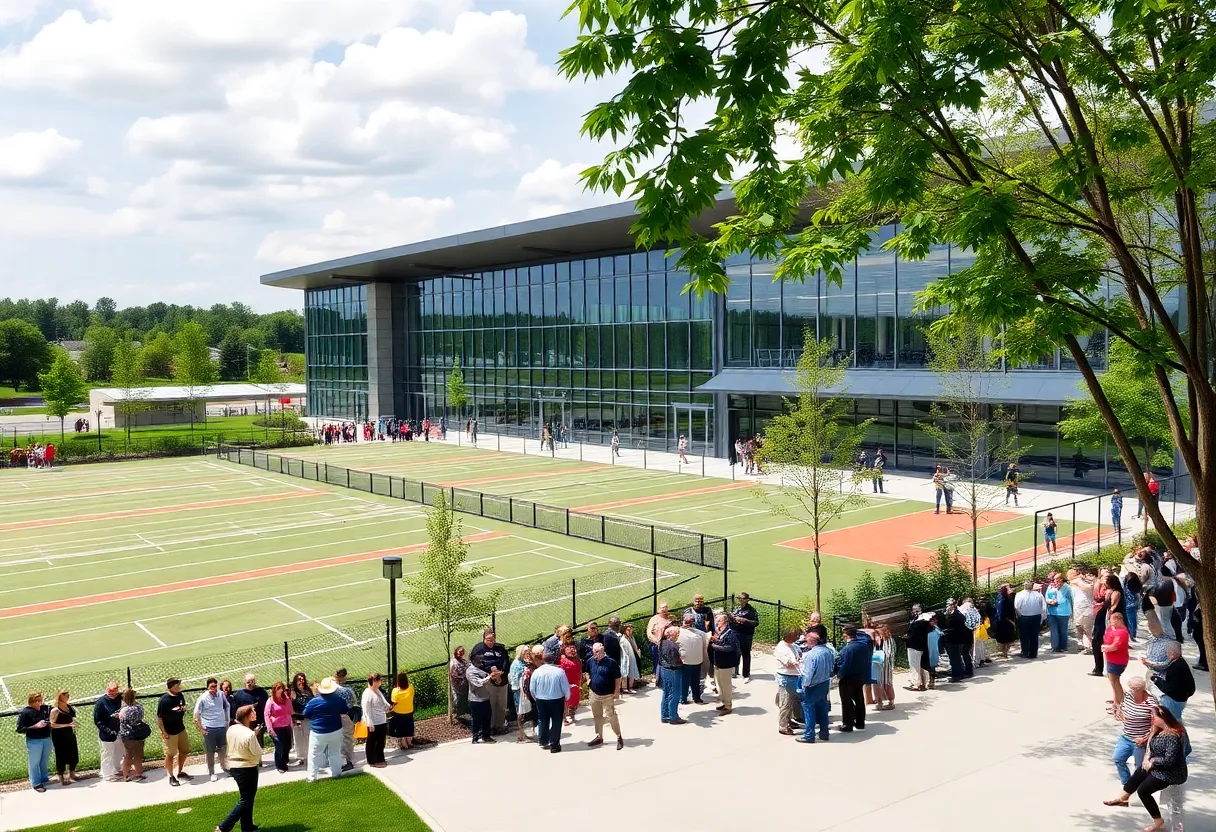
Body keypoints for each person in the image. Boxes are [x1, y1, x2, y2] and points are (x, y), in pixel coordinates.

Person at [1103, 706, 1189, 831]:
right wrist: (1147, 755)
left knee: (1143, 791)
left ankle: (1158, 821)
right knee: (1140, 770)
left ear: (1162, 718)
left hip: (1172, 772)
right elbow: (1149, 747)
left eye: (1153, 717)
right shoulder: (1157, 731)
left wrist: (1152, 762)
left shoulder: (1172, 736)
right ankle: (1123, 798)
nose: (1151, 720)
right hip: (1160, 767)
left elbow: (1169, 760)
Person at [218, 704, 263, 832]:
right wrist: (256, 736)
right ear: (247, 716)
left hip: (234, 766)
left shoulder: (231, 729)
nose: (255, 712)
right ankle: (224, 827)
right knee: (246, 799)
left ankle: (247, 826)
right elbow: (257, 752)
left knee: (247, 797)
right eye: (252, 711)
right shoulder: (250, 734)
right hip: (247, 767)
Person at [1112, 676, 1157, 784]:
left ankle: (1140, 785)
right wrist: (1118, 711)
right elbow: (1120, 707)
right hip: (1126, 736)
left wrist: (1145, 738)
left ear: (1141, 689)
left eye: (1133, 689)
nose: (1130, 691)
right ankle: (1127, 783)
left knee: (1140, 767)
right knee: (1118, 759)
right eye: (1130, 688)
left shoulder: (1151, 702)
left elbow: (1155, 724)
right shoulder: (1127, 696)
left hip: (1141, 741)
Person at [302, 677, 348, 781]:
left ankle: (312, 777)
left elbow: (306, 714)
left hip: (318, 733)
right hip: (336, 730)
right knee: (335, 753)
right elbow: (345, 710)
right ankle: (336, 774)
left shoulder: (314, 702)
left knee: (315, 755)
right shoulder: (339, 700)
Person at [468, 628, 511, 734]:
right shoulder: (478, 649)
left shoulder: (500, 648)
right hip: (488, 680)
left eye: (492, 639)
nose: (491, 642)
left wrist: (502, 672)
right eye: (488, 639)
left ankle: (499, 726)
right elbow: (477, 664)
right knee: (491, 704)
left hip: (502, 680)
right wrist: (490, 672)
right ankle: (490, 727)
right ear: (484, 638)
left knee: (501, 704)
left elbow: (506, 659)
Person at [796, 631, 835, 743]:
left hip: (813, 685)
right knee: (822, 708)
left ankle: (809, 735)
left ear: (812, 641)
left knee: (808, 708)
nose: (805, 642)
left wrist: (804, 685)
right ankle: (824, 733)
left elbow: (808, 673)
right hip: (824, 682)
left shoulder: (811, 655)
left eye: (807, 640)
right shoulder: (828, 651)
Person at [529, 650, 571, 751]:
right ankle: (554, 745)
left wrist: (536, 698)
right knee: (556, 722)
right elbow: (565, 687)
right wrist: (567, 697)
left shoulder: (537, 672)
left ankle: (543, 741)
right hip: (557, 700)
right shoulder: (559, 671)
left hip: (541, 700)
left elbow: (532, 689)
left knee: (543, 720)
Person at [586, 641, 624, 749]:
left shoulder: (611, 662)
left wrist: (617, 691)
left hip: (608, 695)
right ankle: (599, 736)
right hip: (594, 693)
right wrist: (588, 679)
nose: (595, 654)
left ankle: (619, 736)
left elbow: (618, 678)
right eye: (594, 652)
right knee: (597, 716)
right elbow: (586, 671)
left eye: (597, 652)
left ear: (602, 650)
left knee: (611, 716)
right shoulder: (590, 661)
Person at [835, 625, 873, 732]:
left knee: (846, 701)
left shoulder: (847, 649)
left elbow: (845, 664)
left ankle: (847, 724)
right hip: (860, 676)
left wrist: (839, 675)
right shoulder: (864, 646)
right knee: (859, 699)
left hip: (848, 677)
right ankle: (860, 722)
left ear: (845, 635)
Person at [1145, 641, 1194, 720]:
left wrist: (1156, 680)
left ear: (1172, 654)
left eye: (1167, 652)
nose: (1166, 654)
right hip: (1182, 697)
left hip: (1174, 699)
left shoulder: (1176, 667)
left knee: (1171, 722)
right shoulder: (1180, 661)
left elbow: (1169, 688)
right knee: (1176, 720)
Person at [157, 678, 192, 786]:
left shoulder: (180, 695)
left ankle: (180, 772)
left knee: (185, 750)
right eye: (177, 685)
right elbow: (159, 718)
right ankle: (171, 776)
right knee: (170, 754)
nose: (179, 687)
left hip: (180, 729)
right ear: (171, 686)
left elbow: (181, 707)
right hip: (170, 732)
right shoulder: (164, 700)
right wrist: (164, 732)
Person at [194, 678, 231, 781]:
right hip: (209, 728)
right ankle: (211, 773)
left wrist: (227, 720)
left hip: (221, 727)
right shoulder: (202, 698)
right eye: (211, 687)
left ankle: (225, 767)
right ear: (207, 687)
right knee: (210, 752)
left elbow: (227, 706)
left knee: (223, 749)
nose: (214, 689)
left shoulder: (221, 694)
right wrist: (202, 729)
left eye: (215, 686)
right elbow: (196, 715)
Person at [16, 691, 52, 792]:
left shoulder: (44, 709)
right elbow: (20, 728)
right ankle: (36, 782)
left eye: (40, 700)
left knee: (44, 760)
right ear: (31, 701)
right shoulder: (25, 712)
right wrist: (35, 726)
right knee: (34, 762)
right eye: (36, 700)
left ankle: (44, 777)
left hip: (47, 738)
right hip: (34, 740)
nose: (39, 702)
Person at [709, 612, 739, 714]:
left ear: (725, 621)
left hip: (726, 663)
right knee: (719, 684)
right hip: (718, 662)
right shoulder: (720, 631)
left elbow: (730, 647)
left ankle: (728, 706)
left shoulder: (731, 633)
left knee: (726, 685)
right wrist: (715, 640)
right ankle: (724, 702)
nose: (717, 623)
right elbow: (722, 643)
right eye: (716, 621)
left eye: (719, 621)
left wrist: (714, 646)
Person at [93, 680, 123, 782]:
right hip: (107, 733)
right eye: (110, 690)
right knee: (107, 753)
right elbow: (98, 721)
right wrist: (108, 730)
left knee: (118, 752)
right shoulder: (101, 703)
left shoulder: (120, 699)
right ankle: (107, 774)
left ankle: (116, 769)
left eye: (114, 690)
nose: (112, 692)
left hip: (119, 730)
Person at [48, 690, 80, 786]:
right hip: (59, 736)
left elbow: (72, 717)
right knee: (61, 756)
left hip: (70, 734)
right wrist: (67, 725)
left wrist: (73, 723)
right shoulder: (55, 710)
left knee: (73, 753)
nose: (68, 697)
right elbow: (52, 725)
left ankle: (72, 773)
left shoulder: (69, 707)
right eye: (66, 696)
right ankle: (61, 777)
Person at [774, 628, 803, 733]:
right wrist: (798, 662)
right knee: (785, 702)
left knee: (791, 701)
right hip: (786, 677)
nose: (798, 638)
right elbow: (788, 663)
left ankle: (788, 720)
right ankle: (783, 726)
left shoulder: (793, 646)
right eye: (796, 636)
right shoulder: (781, 648)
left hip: (794, 677)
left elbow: (799, 656)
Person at [117, 687, 148, 783]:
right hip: (138, 734)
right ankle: (139, 773)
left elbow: (121, 718)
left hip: (127, 736)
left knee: (127, 756)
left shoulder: (124, 710)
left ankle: (126, 776)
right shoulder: (139, 707)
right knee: (138, 755)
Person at [677, 612, 708, 705]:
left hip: (685, 661)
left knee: (684, 680)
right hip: (698, 660)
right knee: (695, 680)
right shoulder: (701, 633)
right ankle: (697, 697)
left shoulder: (679, 632)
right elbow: (705, 643)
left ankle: (683, 698)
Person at [264, 682, 294, 773]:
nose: (281, 691)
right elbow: (266, 715)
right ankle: (279, 764)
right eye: (278, 689)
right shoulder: (270, 701)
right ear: (275, 690)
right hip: (276, 728)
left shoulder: (286, 700)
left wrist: (288, 698)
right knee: (279, 746)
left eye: (282, 689)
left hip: (286, 726)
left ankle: (284, 760)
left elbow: (289, 711)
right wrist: (270, 729)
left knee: (287, 746)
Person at [1102, 611, 1131, 706]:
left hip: (1117, 661)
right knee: (1113, 681)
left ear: (1119, 620)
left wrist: (1105, 648)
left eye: (1113, 621)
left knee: (1115, 682)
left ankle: (1118, 703)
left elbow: (1115, 646)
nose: (1111, 623)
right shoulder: (1112, 628)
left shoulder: (1122, 632)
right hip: (1112, 659)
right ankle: (1117, 699)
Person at [657, 625, 685, 725]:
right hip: (672, 671)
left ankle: (665, 715)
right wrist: (682, 661)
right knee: (675, 693)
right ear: (672, 634)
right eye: (677, 633)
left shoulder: (662, 642)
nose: (678, 635)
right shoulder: (672, 646)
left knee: (666, 692)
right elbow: (674, 662)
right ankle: (673, 717)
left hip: (664, 669)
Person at [465, 656, 495, 745]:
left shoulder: (481, 668)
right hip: (476, 699)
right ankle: (475, 738)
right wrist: (490, 677)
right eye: (479, 660)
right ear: (473, 661)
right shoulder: (470, 671)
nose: (481, 661)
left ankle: (486, 736)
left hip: (486, 697)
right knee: (476, 719)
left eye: (481, 660)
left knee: (487, 717)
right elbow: (478, 683)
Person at [360, 674, 389, 768]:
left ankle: (380, 758)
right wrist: (370, 723)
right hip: (373, 722)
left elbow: (383, 702)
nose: (380, 683)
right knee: (372, 742)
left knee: (381, 741)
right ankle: (372, 760)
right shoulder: (367, 693)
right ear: (373, 682)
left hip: (381, 720)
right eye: (378, 681)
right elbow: (366, 710)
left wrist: (388, 707)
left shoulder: (378, 691)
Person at [331, 669, 357, 770]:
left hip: (334, 717)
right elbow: (354, 701)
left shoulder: (330, 690)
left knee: (338, 739)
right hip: (346, 716)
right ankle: (348, 761)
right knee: (347, 739)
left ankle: (341, 761)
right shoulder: (348, 690)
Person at [729, 592, 759, 680]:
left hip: (746, 635)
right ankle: (734, 672)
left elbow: (756, 622)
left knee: (745, 654)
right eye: (740, 599)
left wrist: (745, 620)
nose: (741, 600)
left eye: (743, 599)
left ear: (747, 600)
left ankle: (746, 674)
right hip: (735, 633)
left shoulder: (752, 610)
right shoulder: (736, 608)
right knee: (735, 653)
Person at [1013, 580, 1045, 659]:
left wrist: (1018, 617)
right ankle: (1033, 653)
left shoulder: (1020, 594)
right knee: (1034, 636)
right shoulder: (1038, 595)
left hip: (1024, 617)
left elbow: (1016, 607)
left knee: (1024, 636)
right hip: (1035, 617)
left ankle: (1025, 652)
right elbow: (1042, 607)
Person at [942, 598, 972, 682]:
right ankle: (960, 673)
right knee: (956, 657)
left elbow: (956, 628)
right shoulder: (952, 614)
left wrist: (947, 631)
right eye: (947, 605)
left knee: (955, 658)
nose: (948, 606)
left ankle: (957, 675)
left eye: (949, 605)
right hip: (956, 638)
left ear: (953, 605)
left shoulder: (957, 615)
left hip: (955, 639)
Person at [1068, 569, 1096, 654]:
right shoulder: (1074, 583)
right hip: (1077, 608)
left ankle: (1089, 646)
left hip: (1086, 608)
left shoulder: (1084, 582)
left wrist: (1078, 582)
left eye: (1070, 574)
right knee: (1078, 626)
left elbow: (1088, 588)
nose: (1068, 577)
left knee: (1087, 628)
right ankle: (1082, 643)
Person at [510, 647, 534, 742]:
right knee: (520, 711)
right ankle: (520, 733)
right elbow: (515, 679)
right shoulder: (516, 664)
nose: (527, 653)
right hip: (519, 690)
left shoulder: (525, 662)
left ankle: (527, 731)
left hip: (527, 689)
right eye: (525, 652)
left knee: (528, 710)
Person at [646, 601, 673, 686]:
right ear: (658, 609)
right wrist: (656, 641)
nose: (664, 609)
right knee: (657, 661)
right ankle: (658, 679)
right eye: (662, 608)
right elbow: (649, 632)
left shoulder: (670, 618)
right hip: (656, 644)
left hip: (668, 644)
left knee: (667, 661)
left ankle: (666, 678)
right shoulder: (654, 619)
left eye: (666, 607)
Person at [1045, 573, 1073, 652]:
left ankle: (1063, 646)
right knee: (1054, 630)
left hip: (1063, 612)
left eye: (1057, 579)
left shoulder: (1067, 588)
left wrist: (1072, 612)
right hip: (1051, 612)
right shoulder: (1050, 586)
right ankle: (1055, 647)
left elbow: (1070, 599)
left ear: (1061, 579)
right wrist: (1049, 601)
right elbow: (1046, 597)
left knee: (1063, 630)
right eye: (1054, 579)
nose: (1055, 581)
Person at [388, 671, 415, 752]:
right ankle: (409, 742)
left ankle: (403, 743)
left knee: (400, 727)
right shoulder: (411, 688)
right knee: (409, 726)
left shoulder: (395, 691)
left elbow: (393, 701)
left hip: (398, 713)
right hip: (409, 711)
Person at [871, 623, 896, 709]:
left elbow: (888, 654)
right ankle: (879, 702)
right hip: (876, 665)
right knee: (876, 683)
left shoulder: (889, 641)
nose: (877, 635)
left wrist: (877, 656)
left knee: (887, 683)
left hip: (886, 666)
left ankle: (891, 702)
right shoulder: (876, 641)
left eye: (879, 633)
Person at [905, 613, 932, 692]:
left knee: (914, 666)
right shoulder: (926, 625)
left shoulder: (917, 624)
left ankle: (916, 684)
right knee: (921, 666)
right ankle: (923, 683)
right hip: (921, 647)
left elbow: (911, 635)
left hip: (914, 647)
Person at [289, 673, 311, 766]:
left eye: (303, 679)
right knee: (298, 738)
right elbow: (289, 705)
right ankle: (300, 757)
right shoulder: (293, 692)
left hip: (308, 718)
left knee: (308, 736)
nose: (301, 681)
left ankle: (308, 756)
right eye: (299, 679)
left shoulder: (308, 691)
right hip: (297, 718)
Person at [993, 584, 1018, 659]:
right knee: (1006, 638)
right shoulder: (1004, 600)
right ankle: (1004, 652)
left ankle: (1003, 652)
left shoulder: (1000, 598)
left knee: (1004, 638)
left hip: (1002, 621)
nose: (1011, 589)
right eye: (1009, 588)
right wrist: (1011, 620)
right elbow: (1003, 611)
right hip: (1005, 621)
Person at [560, 644, 583, 723]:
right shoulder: (563, 661)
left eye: (573, 650)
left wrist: (579, 683)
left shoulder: (577, 660)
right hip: (567, 683)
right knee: (565, 701)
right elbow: (561, 673)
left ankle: (572, 714)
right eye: (570, 650)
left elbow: (580, 671)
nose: (572, 651)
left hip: (576, 683)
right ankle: (564, 719)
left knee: (575, 700)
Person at [448, 646, 470, 720]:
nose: (461, 654)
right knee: (459, 701)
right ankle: (460, 715)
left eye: (463, 652)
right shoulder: (454, 663)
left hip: (466, 686)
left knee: (465, 700)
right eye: (460, 652)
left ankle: (465, 714)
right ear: (456, 652)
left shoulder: (463, 661)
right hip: (459, 687)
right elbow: (453, 675)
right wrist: (462, 679)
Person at [619, 623, 642, 692]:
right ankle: (624, 687)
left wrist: (638, 652)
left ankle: (630, 687)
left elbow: (634, 646)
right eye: (628, 630)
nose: (630, 631)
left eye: (630, 630)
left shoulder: (631, 638)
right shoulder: (622, 639)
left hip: (631, 657)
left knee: (632, 671)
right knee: (624, 672)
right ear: (624, 631)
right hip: (625, 658)